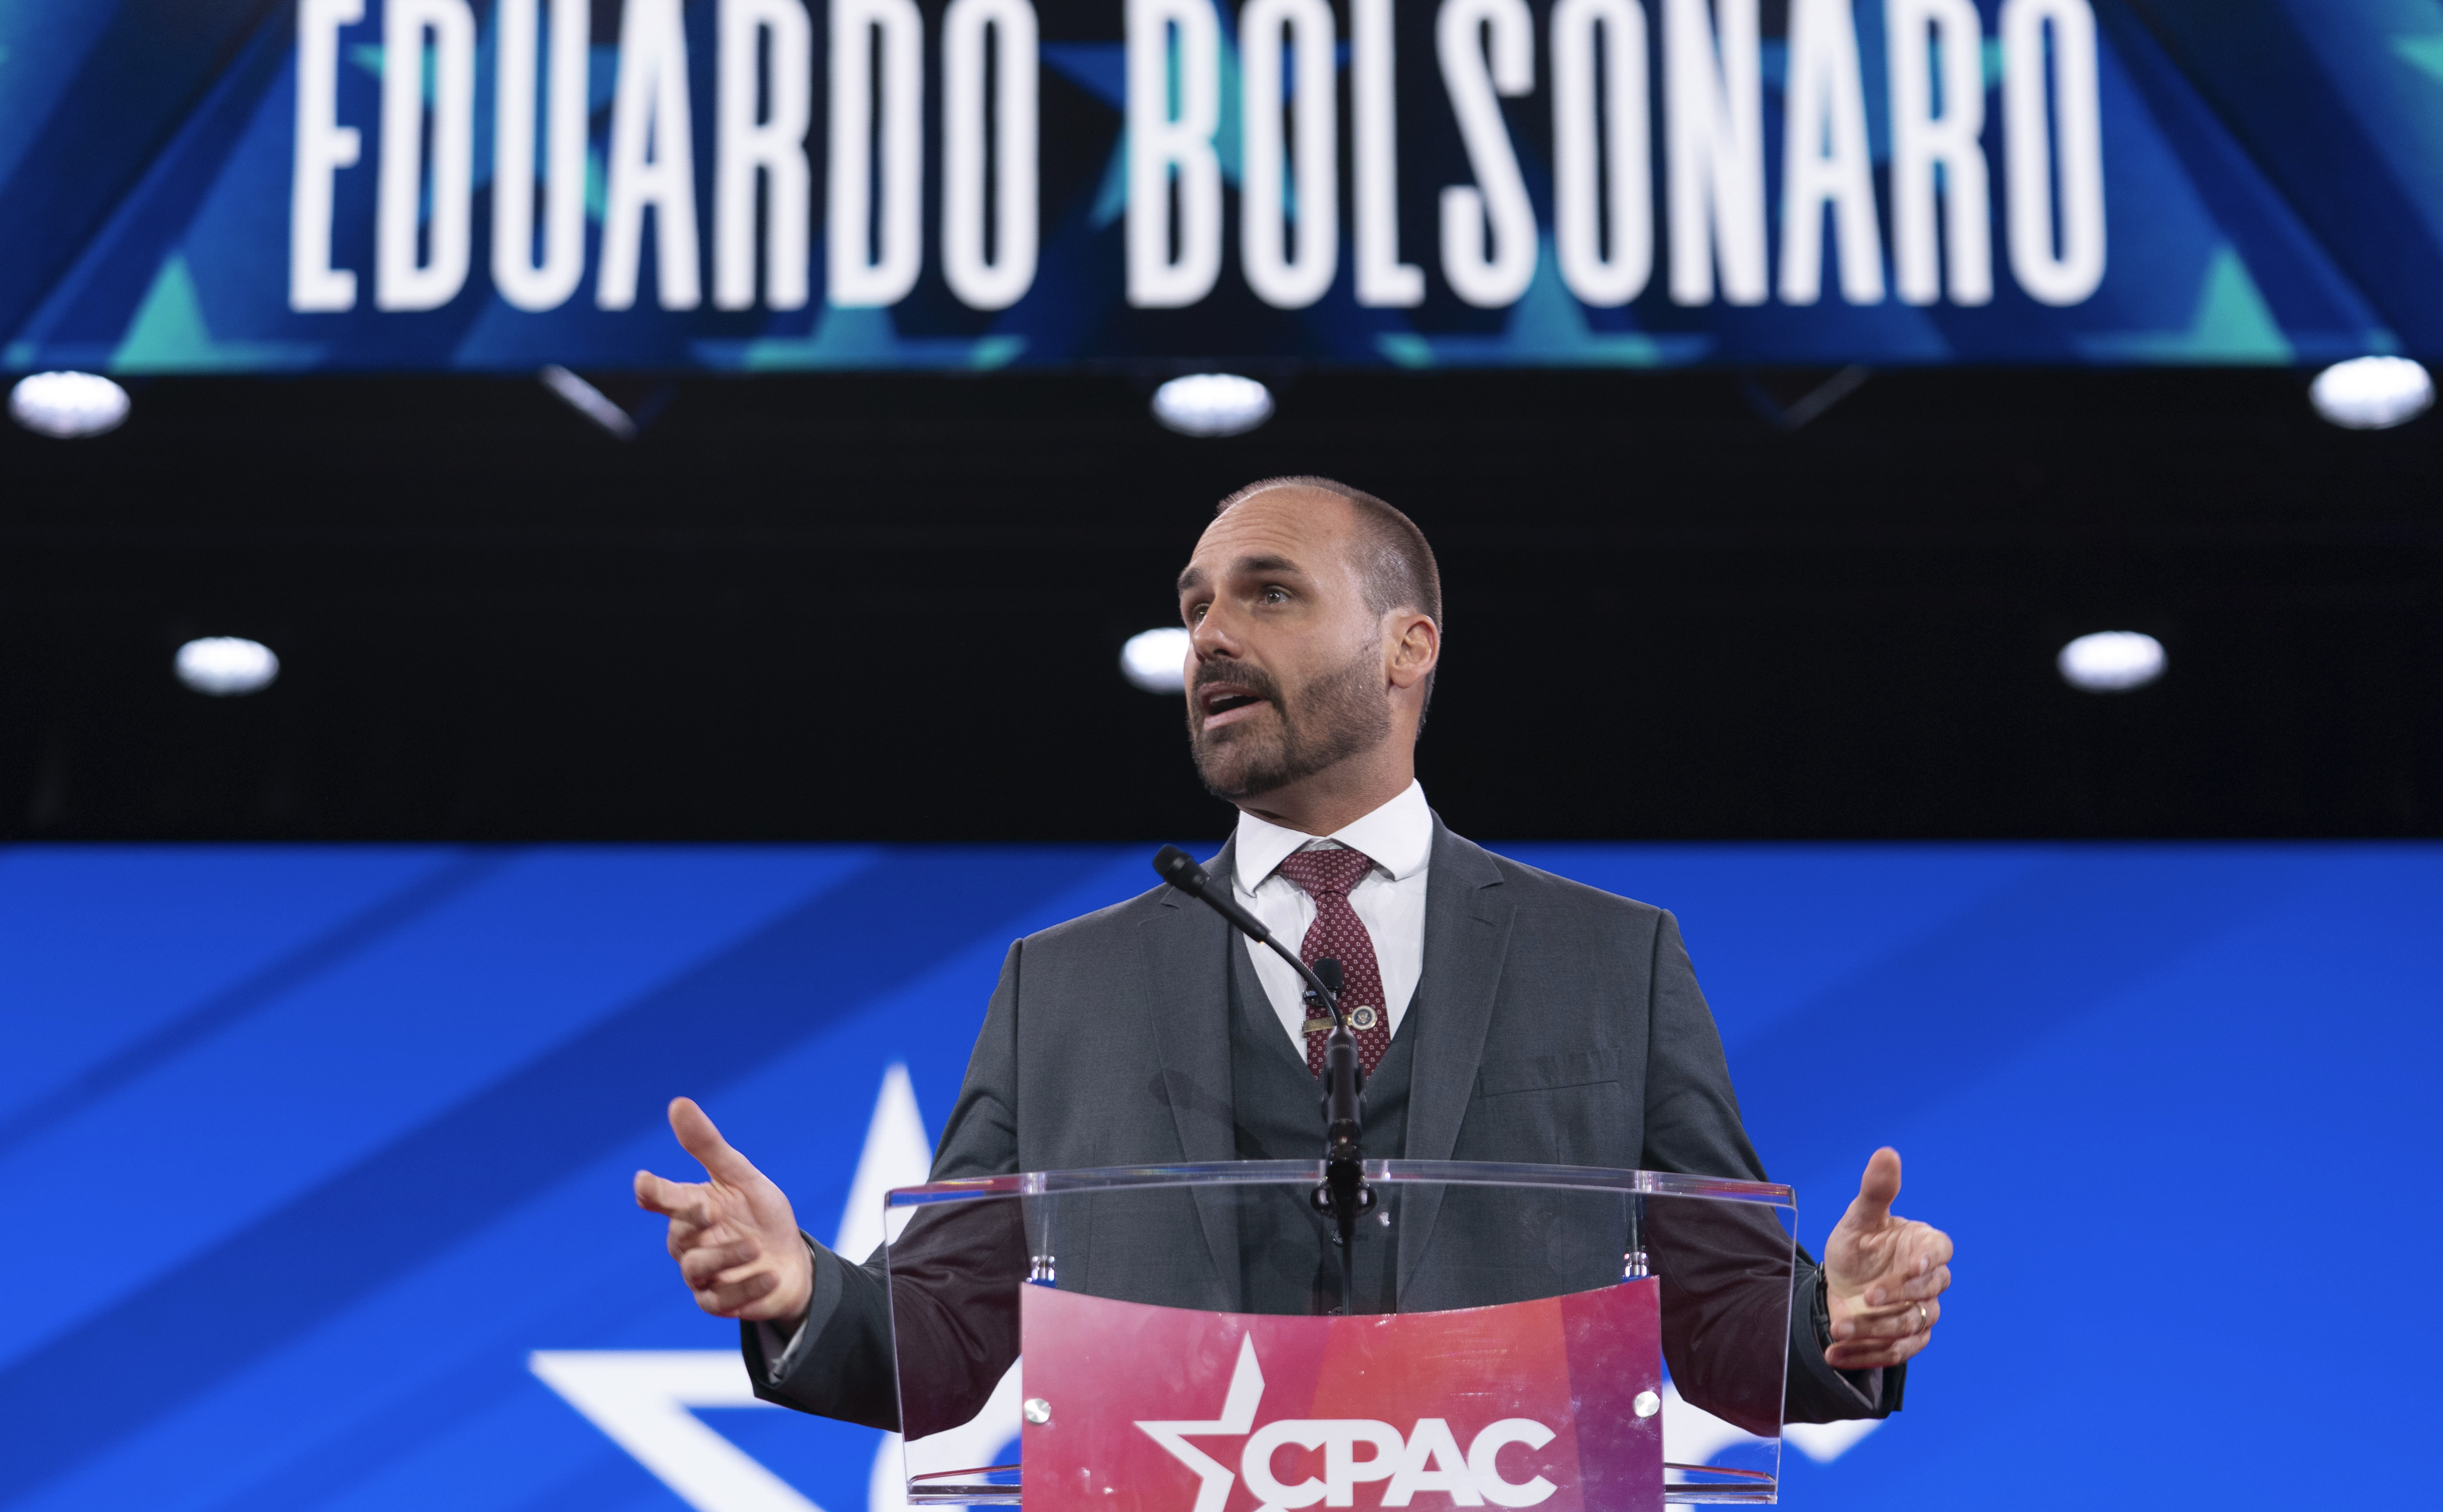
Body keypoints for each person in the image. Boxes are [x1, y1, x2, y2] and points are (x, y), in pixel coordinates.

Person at [636, 476, 1953, 1431]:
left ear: (1406, 647)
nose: (1209, 633)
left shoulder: (1613, 958)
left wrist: (1836, 1317)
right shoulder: (1066, 985)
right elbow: (947, 1337)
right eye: (1195, 605)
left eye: (1267, 593)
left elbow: (1720, 1312)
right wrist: (801, 1284)